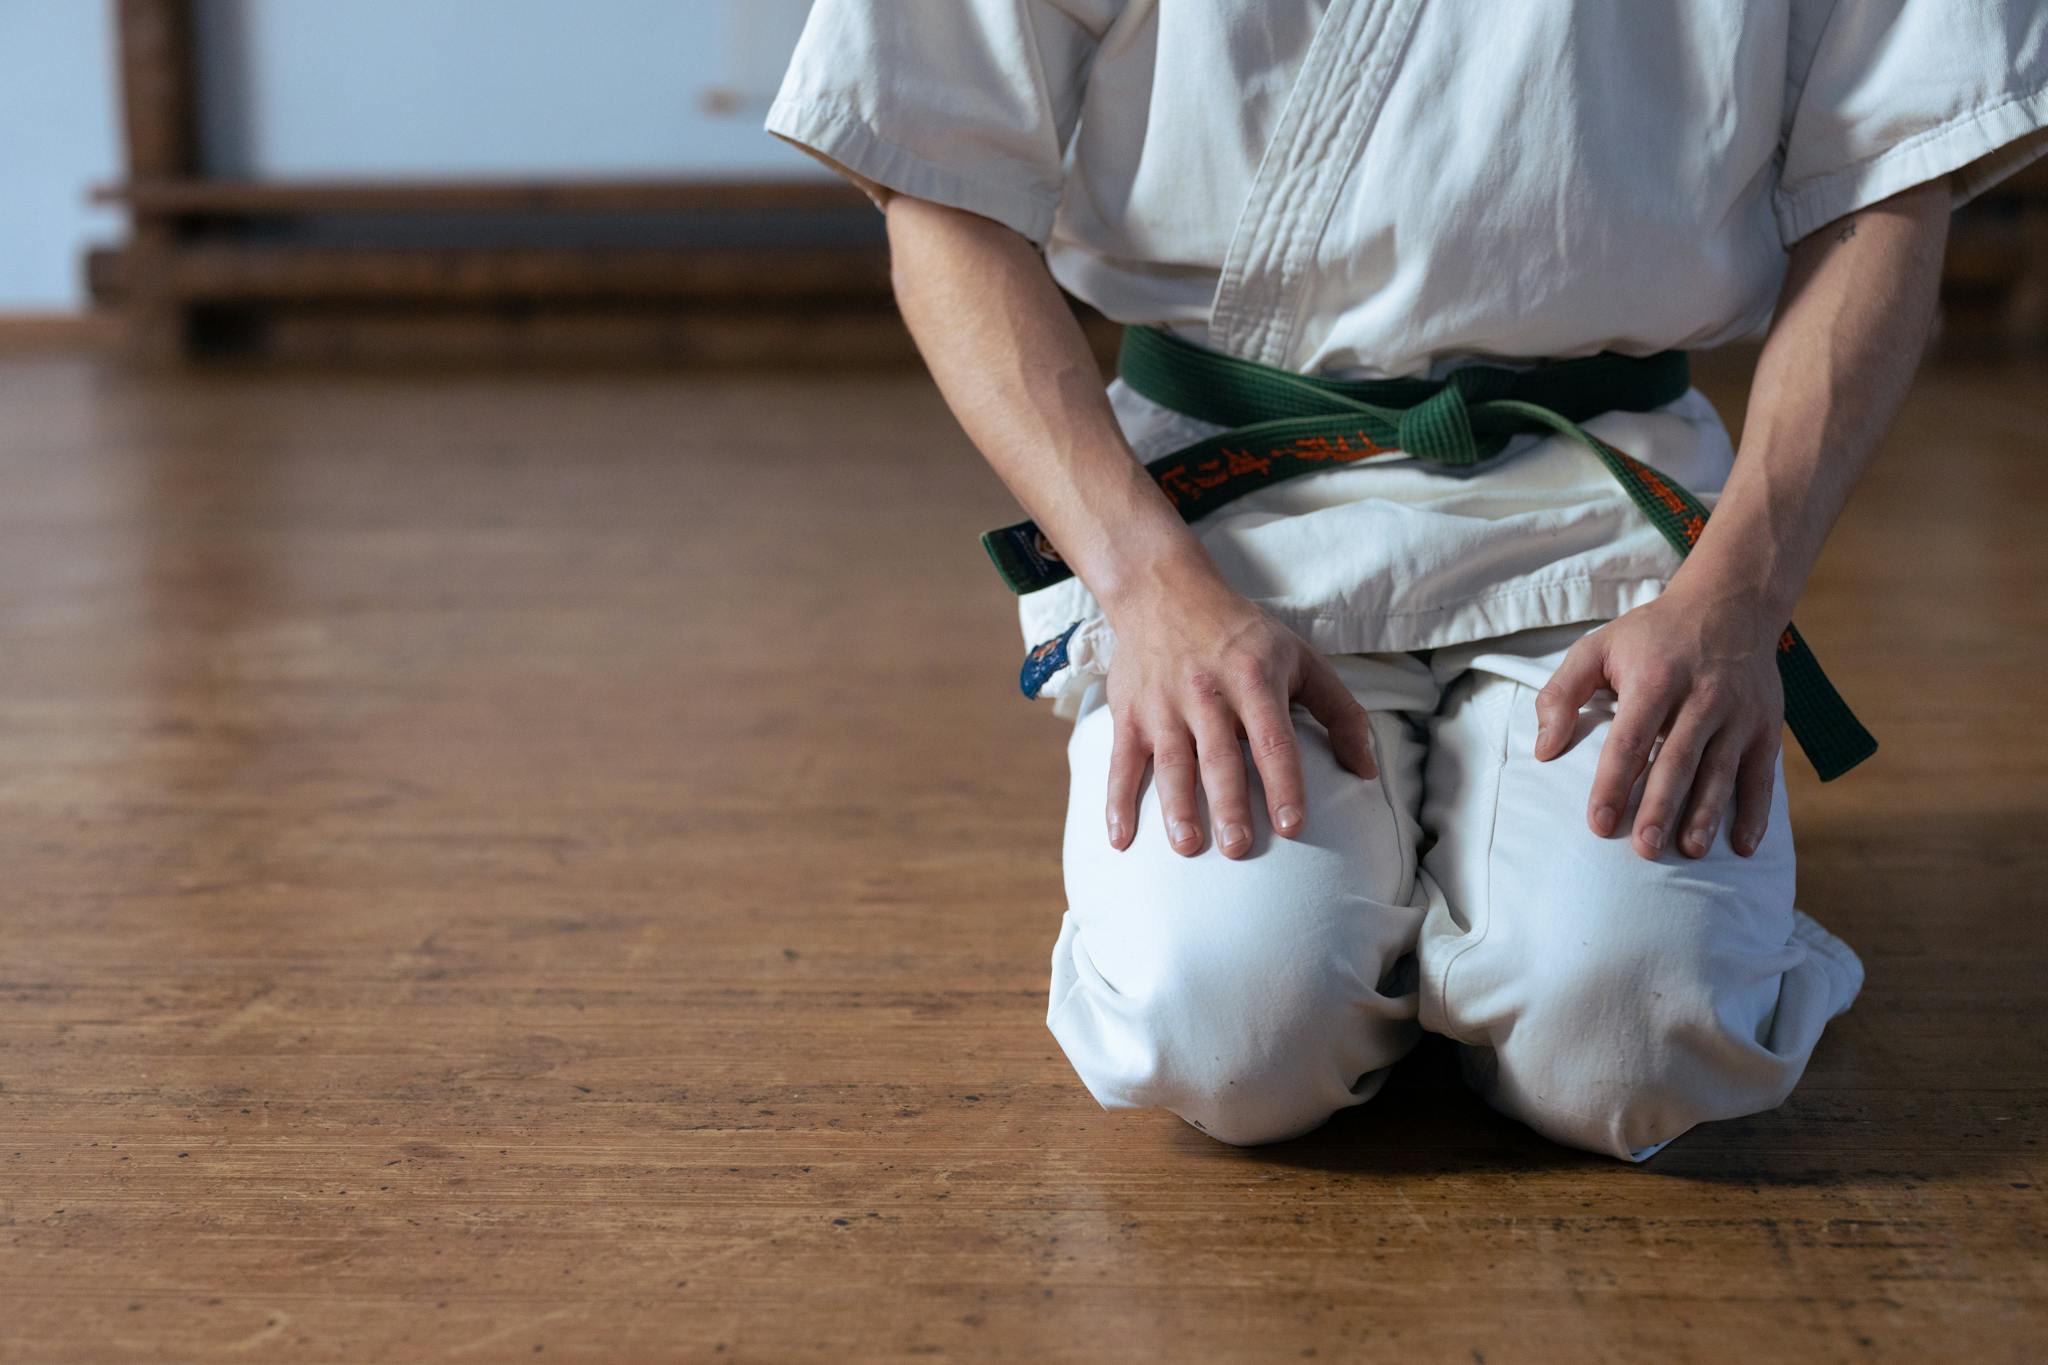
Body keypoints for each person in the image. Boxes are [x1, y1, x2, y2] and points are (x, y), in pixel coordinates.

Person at [765, 2, 2048, 1160]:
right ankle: (1412, 942)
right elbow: (938, 184)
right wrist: (1147, 588)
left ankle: (1502, 942)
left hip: (1606, 514)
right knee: (1227, 1028)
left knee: (1638, 1040)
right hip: (1220, 520)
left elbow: (1887, 186)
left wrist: (1737, 596)